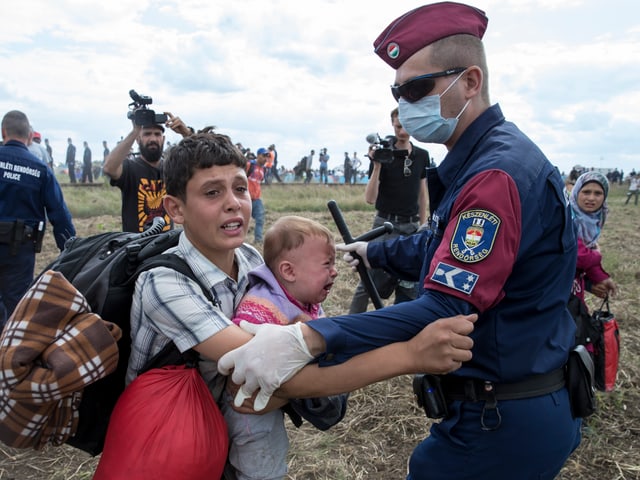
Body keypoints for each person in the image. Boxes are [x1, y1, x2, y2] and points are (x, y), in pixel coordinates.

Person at [218, 3, 581, 479]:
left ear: (470, 82)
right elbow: (440, 248)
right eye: (398, 92)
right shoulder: (485, 162)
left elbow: (447, 307)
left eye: (417, 88)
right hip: (510, 403)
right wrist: (374, 250)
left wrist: (311, 336)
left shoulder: (494, 176)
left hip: (501, 415)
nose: (407, 105)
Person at [123, 130, 475, 476]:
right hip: (173, 443)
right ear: (176, 209)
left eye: (241, 188)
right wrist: (409, 355)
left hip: (230, 431)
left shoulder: (247, 258)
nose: (233, 202)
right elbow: (277, 373)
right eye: (212, 192)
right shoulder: (165, 283)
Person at [223, 215, 347, 480]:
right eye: (327, 264)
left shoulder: (300, 297)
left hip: (272, 402)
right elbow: (241, 358)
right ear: (289, 271)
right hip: (251, 418)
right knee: (262, 469)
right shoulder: (261, 306)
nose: (335, 271)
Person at [0, 110, 76, 329]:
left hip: (19, 247)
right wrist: (70, 250)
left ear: (3, 132)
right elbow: (59, 215)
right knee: (17, 306)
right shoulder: (39, 169)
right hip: (19, 250)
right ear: (29, 135)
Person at [349, 107, 429, 313]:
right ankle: (349, 326)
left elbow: (422, 193)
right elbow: (370, 198)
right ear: (392, 124)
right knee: (368, 280)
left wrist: (422, 225)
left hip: (411, 225)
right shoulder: (383, 154)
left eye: (406, 125)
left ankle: (400, 324)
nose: (402, 130)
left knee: (410, 282)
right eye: (398, 125)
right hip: (385, 225)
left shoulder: (421, 155)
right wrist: (377, 165)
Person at [103, 112, 191, 232]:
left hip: (166, 245)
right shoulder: (130, 168)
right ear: (138, 139)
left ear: (163, 139)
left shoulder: (171, 168)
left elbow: (205, 163)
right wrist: (135, 131)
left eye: (157, 134)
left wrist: (186, 134)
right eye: (147, 134)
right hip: (137, 246)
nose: (153, 139)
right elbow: (109, 168)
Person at [570, 172, 617, 303]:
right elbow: (577, 253)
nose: (591, 198)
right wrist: (596, 255)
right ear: (576, 192)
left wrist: (596, 281)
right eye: (586, 192)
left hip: (574, 284)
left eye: (598, 193)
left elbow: (584, 260)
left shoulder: (596, 221)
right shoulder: (566, 217)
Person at [247, 147, 268, 244]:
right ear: (258, 155)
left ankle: (258, 240)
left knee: (260, 218)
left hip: (256, 198)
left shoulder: (263, 169)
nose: (265, 158)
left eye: (267, 156)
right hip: (245, 198)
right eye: (263, 156)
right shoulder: (249, 165)